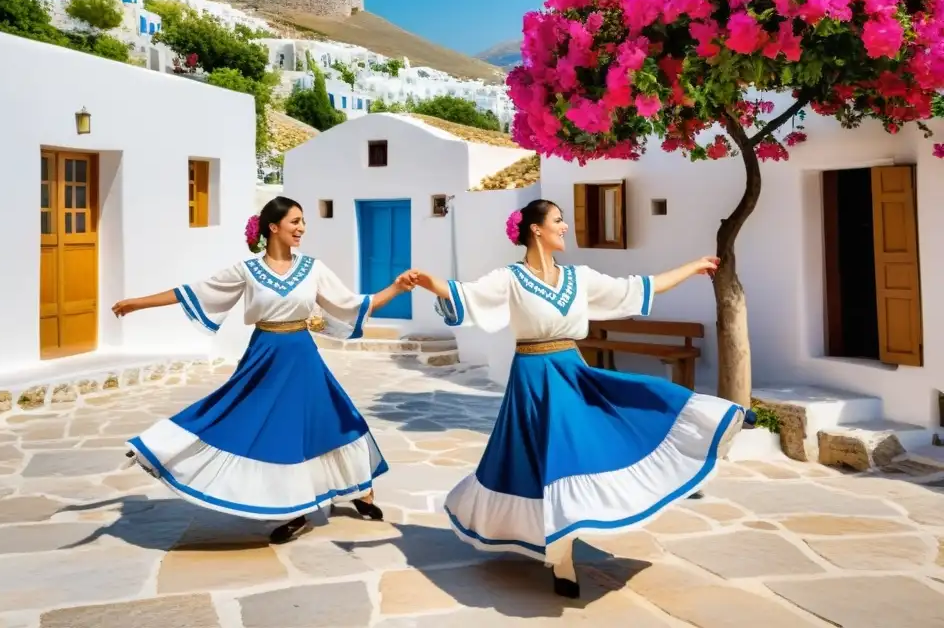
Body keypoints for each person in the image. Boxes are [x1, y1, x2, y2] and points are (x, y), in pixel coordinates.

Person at [410, 199, 756, 599]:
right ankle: (560, 559)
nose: (565, 226)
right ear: (536, 229)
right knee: (542, 463)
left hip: (572, 373)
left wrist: (692, 267)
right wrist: (426, 281)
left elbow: (636, 288)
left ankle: (719, 416)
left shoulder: (580, 277)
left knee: (621, 417)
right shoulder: (510, 278)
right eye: (558, 220)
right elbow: (464, 295)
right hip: (533, 382)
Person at [112, 196, 415, 544]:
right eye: (295, 222)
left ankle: (362, 491)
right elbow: (194, 291)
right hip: (264, 357)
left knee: (332, 419)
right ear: (274, 227)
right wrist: (138, 302)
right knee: (250, 422)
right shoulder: (247, 271)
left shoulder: (313, 268)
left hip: (302, 356)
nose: (301, 228)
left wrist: (396, 287)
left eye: (303, 222)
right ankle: (292, 509)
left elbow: (352, 304)